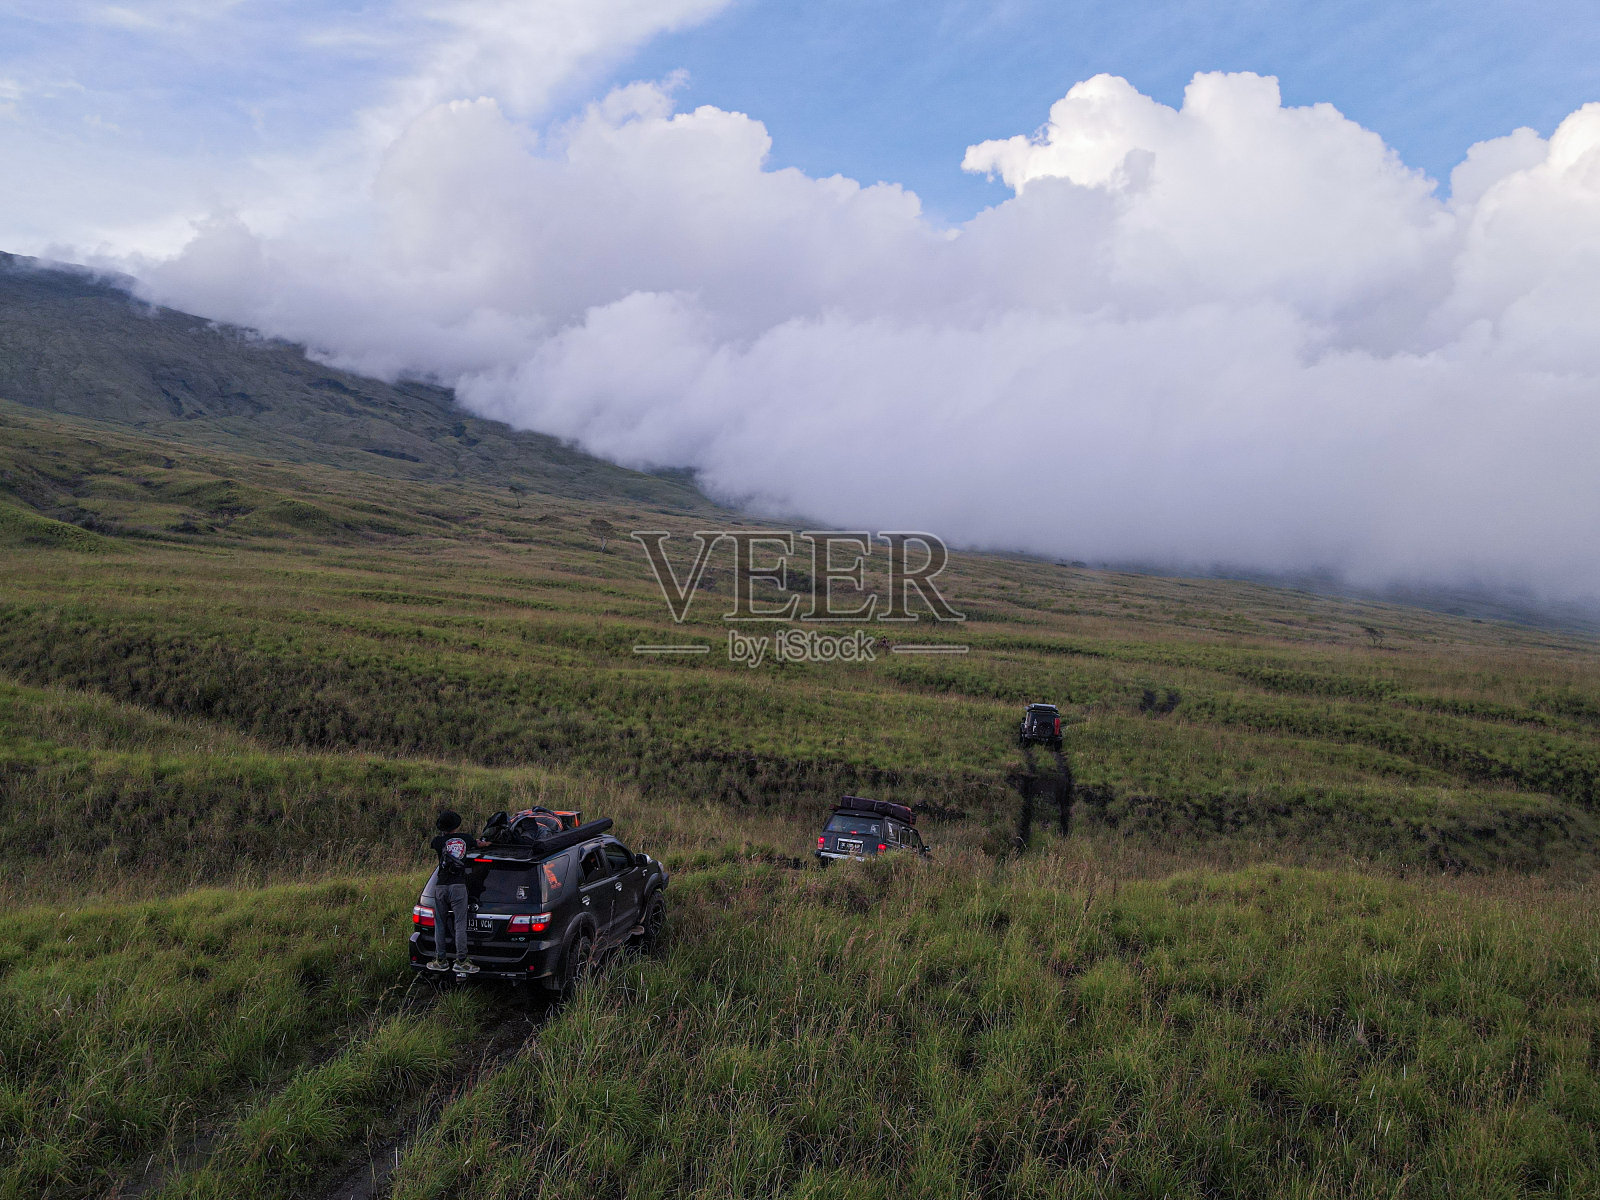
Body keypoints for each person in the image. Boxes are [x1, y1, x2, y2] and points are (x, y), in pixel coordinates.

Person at [428, 810, 487, 977]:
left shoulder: (438, 841)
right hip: (458, 886)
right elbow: (480, 844)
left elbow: (434, 844)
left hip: (440, 887)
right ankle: (461, 961)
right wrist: (487, 843)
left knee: (440, 923)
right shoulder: (466, 839)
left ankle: (441, 960)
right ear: (457, 825)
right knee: (460, 923)